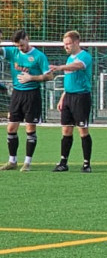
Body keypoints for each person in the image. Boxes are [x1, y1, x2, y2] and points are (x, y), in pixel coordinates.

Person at [2, 28, 51, 172]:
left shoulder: (39, 56)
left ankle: (27, 162)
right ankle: (12, 161)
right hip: (17, 94)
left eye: (21, 45)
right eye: (17, 46)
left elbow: (49, 76)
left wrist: (32, 78)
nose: (20, 48)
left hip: (32, 95)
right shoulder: (13, 52)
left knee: (30, 128)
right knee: (11, 128)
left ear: (27, 39)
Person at [49, 31, 93, 172]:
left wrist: (59, 67)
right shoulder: (69, 58)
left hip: (81, 97)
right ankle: (63, 162)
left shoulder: (85, 56)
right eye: (64, 44)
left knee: (82, 130)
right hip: (69, 97)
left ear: (76, 42)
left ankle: (86, 164)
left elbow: (78, 66)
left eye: (68, 44)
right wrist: (63, 97)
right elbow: (69, 79)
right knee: (66, 129)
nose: (66, 47)